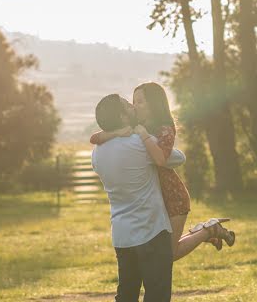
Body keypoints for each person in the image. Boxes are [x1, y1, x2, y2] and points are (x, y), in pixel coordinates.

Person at [91, 94, 231, 302]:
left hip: (122, 235)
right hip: (151, 233)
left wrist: (119, 134)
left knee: (125, 300)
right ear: (122, 117)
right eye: (128, 106)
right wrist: (139, 136)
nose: (133, 106)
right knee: (155, 300)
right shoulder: (137, 145)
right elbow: (175, 157)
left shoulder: (98, 154)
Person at [91, 82, 234, 255]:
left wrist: (142, 136)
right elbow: (95, 138)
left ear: (153, 105)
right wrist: (116, 133)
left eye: (140, 102)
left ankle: (209, 231)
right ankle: (205, 231)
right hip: (156, 200)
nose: (134, 106)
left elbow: (170, 158)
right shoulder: (135, 130)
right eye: (133, 101)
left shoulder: (162, 130)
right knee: (163, 251)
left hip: (172, 197)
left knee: (170, 254)